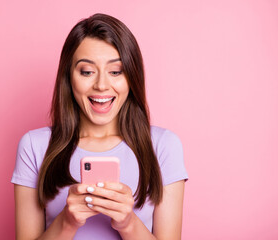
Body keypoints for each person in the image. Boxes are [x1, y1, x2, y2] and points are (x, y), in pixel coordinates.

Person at [11, 13, 188, 240]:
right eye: (87, 72)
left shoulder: (163, 146)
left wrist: (127, 223)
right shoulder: (34, 146)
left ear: (132, 77)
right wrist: (67, 222)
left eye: (115, 72)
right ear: (69, 77)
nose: (102, 85)